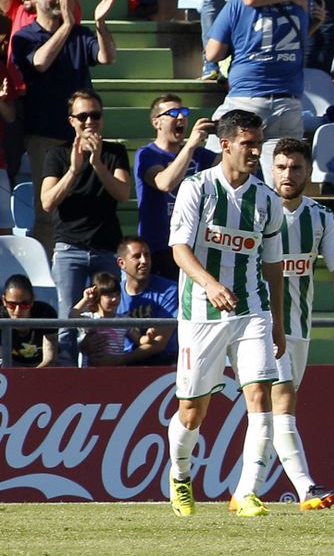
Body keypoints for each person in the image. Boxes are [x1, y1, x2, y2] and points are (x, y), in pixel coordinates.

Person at [164, 109, 286, 518]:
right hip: (201, 312)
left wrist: (278, 322)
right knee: (192, 411)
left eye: (259, 144)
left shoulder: (267, 199)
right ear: (226, 144)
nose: (255, 151)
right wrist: (210, 284)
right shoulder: (197, 188)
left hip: (252, 309)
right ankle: (180, 475)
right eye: (248, 144)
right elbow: (179, 249)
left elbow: (273, 266)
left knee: (260, 394)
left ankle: (246, 492)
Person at [260, 136, 334, 510]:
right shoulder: (259, 212)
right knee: (282, 400)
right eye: (281, 167)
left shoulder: (321, 217)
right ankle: (306, 488)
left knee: (272, 412)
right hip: (261, 324)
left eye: (296, 168)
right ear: (272, 170)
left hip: (299, 326)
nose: (288, 174)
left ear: (308, 172)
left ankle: (245, 490)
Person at [13, 0, 118, 251]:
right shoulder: (25, 36)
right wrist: (67, 25)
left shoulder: (80, 34)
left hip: (82, 135)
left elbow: (107, 57)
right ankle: (47, 270)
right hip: (44, 135)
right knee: (48, 212)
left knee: (88, 203)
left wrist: (100, 24)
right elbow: (40, 62)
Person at [41, 89, 132, 362]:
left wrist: (98, 165)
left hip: (106, 247)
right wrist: (74, 169)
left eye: (95, 115)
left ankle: (102, 372)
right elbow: (47, 201)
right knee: (67, 320)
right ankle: (67, 374)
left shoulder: (114, 152)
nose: (89, 121)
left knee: (107, 318)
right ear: (72, 121)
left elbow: (123, 193)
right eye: (82, 116)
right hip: (69, 248)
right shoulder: (57, 154)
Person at [205, 0, 311, 140]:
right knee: (284, 159)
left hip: (246, 99)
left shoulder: (237, 5)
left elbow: (213, 53)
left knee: (220, 153)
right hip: (288, 103)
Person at [134, 95, 217, 280]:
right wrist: (191, 145)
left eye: (183, 112)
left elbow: (230, 165)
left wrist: (228, 134)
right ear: (156, 122)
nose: (180, 117)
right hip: (160, 248)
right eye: (172, 113)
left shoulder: (200, 154)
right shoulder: (147, 154)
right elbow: (164, 183)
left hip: (193, 246)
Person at [104, 236, 177, 367]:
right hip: (121, 366)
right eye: (137, 256)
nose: (144, 261)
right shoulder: (112, 295)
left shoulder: (170, 290)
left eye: (147, 255)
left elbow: (159, 343)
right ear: (121, 263)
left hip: (162, 366)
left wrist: (119, 360)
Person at [4, 274, 56, 368]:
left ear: (32, 300)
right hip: (9, 363)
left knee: (67, 367)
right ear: (4, 301)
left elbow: (50, 359)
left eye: (24, 305)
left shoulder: (46, 313)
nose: (17, 311)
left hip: (40, 364)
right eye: (12, 305)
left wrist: (30, 376)